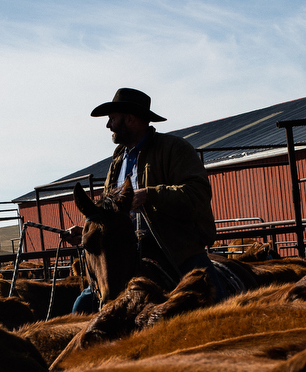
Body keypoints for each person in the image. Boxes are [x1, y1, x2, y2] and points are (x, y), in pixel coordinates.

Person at [66, 88, 217, 313]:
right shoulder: (118, 159)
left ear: (130, 119)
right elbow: (112, 212)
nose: (109, 125)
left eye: (112, 119)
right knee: (84, 306)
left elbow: (198, 193)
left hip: (175, 251)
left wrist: (150, 195)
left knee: (214, 299)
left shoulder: (174, 149)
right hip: (126, 253)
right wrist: (90, 230)